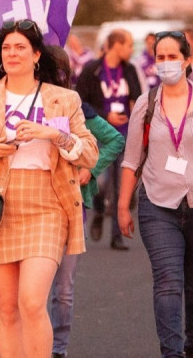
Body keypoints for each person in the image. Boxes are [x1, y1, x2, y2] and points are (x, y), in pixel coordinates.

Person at [0, 19, 98, 358]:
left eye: (20, 48)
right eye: (6, 48)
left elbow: (89, 153)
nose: (12, 54)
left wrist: (52, 134)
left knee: (31, 301)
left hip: (46, 205)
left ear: (36, 54)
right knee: (7, 307)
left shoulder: (63, 99)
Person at [116, 30, 193, 358]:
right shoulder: (146, 103)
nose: (167, 63)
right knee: (168, 282)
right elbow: (131, 159)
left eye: (173, 57)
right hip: (158, 204)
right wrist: (122, 206)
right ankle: (171, 354)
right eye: (160, 57)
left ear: (187, 61)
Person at [46, 44, 125, 358]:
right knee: (30, 290)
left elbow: (114, 140)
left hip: (70, 207)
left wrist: (90, 169)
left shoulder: (76, 108)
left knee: (63, 288)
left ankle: (58, 348)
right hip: (28, 207)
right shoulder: (18, 106)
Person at [75, 28, 141, 250]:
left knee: (121, 187)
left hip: (123, 135)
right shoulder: (91, 70)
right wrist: (105, 116)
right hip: (99, 135)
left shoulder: (129, 70)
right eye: (129, 45)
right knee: (102, 182)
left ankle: (116, 236)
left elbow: (137, 100)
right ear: (116, 45)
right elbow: (80, 104)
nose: (131, 50)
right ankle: (99, 212)